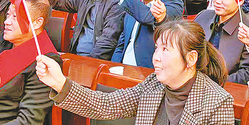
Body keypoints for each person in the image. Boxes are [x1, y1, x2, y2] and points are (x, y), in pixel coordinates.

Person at [37, 20, 234, 125]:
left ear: (191, 58)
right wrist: (59, 83)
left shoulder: (217, 102)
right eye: (156, 48)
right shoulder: (154, 84)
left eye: (165, 50)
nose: (156, 57)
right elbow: (106, 105)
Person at [37, 0, 125, 60]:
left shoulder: (115, 3)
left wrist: (88, 62)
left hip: (96, 60)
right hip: (77, 56)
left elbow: (108, 41)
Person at [110, 0, 184, 69]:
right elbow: (122, 43)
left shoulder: (173, 3)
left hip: (150, 71)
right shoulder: (133, 5)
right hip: (124, 69)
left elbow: (149, 18)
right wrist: (114, 66)